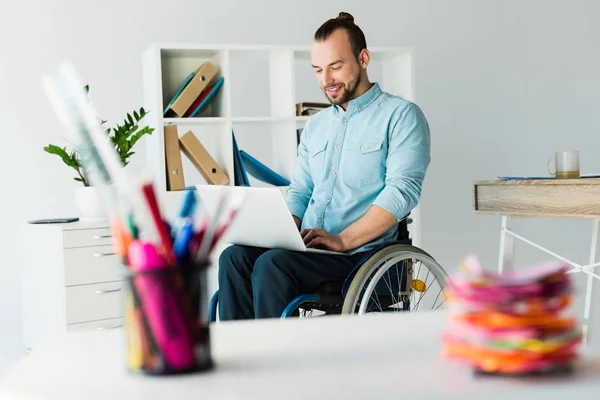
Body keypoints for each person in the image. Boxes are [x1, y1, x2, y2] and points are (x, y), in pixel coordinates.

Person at [217, 11, 431, 320]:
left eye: (335, 67)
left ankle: (277, 362)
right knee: (234, 257)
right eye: (317, 69)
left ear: (364, 58)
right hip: (309, 250)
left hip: (362, 257)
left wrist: (342, 240)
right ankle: (240, 355)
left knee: (272, 264)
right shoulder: (316, 126)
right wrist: (283, 227)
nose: (325, 80)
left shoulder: (401, 116)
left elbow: (403, 191)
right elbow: (301, 189)